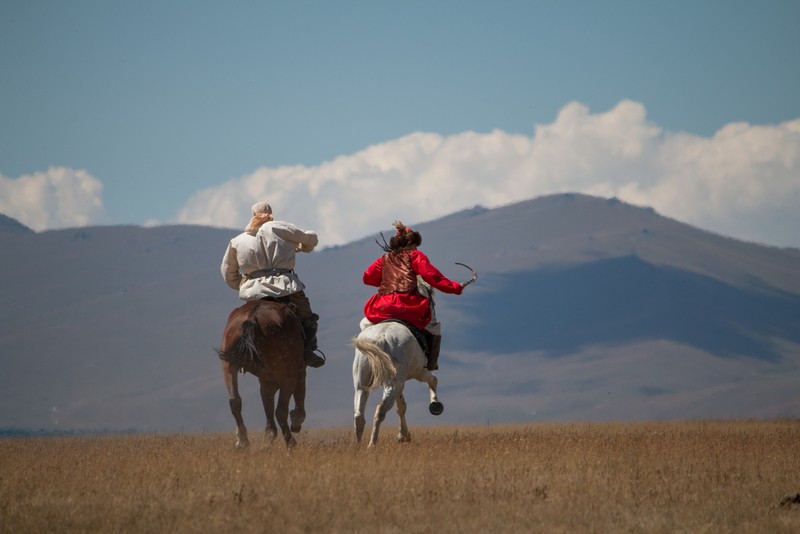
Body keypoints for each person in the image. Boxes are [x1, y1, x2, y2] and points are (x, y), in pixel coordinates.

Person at [221, 201, 325, 368]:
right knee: (307, 317)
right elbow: (310, 240)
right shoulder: (280, 228)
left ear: (253, 214)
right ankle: (308, 351)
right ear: (271, 213)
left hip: (253, 290)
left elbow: (227, 272)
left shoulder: (237, 241)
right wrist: (304, 245)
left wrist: (244, 285)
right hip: (284, 286)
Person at [361, 221, 463, 370]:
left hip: (382, 306)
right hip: (408, 306)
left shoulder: (383, 259)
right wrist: (455, 287)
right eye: (415, 245)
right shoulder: (415, 255)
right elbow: (432, 276)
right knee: (434, 327)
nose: (416, 248)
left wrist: (388, 283)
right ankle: (430, 363)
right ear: (412, 244)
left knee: (365, 324)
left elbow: (367, 278)